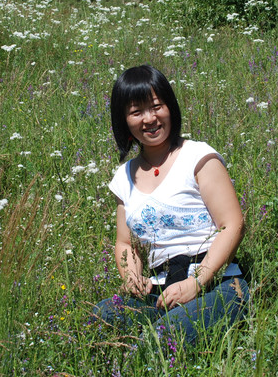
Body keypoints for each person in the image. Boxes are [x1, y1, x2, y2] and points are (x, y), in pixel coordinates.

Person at [93, 65, 248, 347]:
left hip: (219, 284)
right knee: (100, 319)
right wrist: (131, 277)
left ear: (170, 108)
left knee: (159, 343)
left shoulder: (198, 157)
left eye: (156, 106)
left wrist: (196, 283)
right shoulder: (123, 177)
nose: (149, 119)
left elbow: (232, 224)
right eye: (136, 112)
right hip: (160, 290)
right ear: (124, 120)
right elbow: (124, 243)